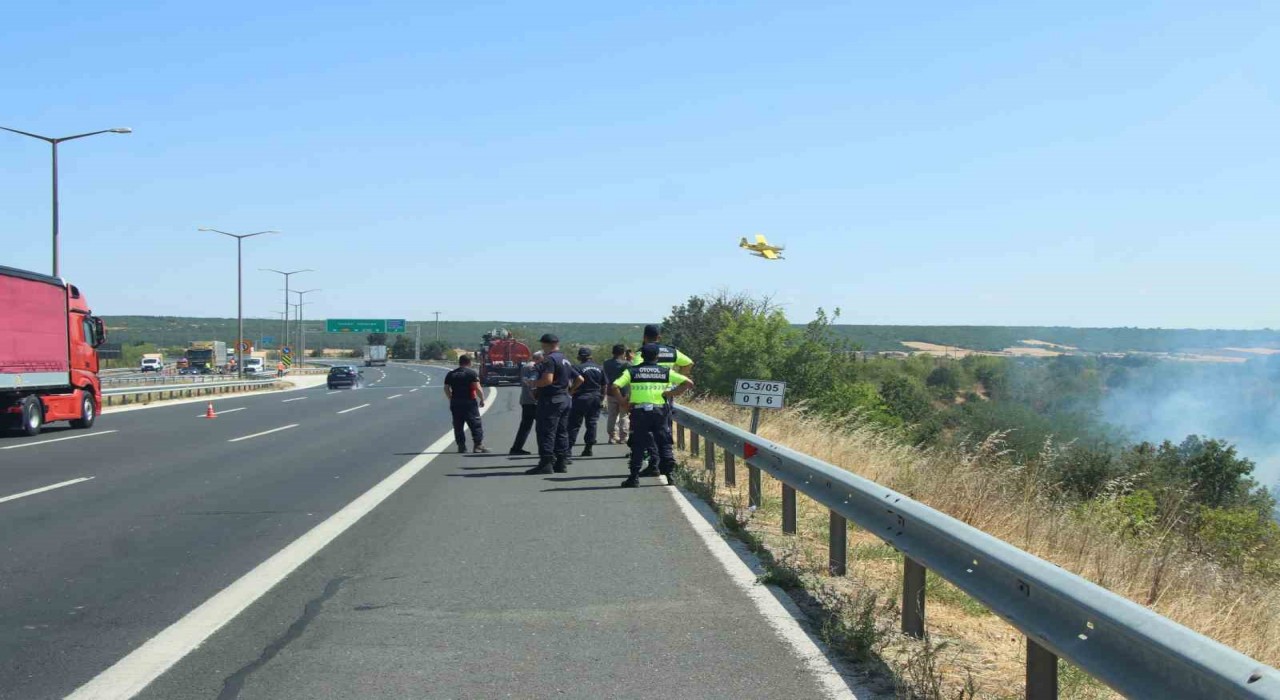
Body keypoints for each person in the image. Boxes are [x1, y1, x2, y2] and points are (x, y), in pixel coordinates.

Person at [610, 343, 694, 487]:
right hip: (660, 411)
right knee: (664, 442)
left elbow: (614, 386)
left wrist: (623, 402)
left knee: (638, 443)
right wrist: (670, 393)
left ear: (641, 356)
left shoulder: (632, 371)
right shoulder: (665, 371)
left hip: (639, 412)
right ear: (657, 356)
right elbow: (688, 382)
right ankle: (670, 476)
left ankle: (634, 478)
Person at [633, 324, 695, 476]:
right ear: (659, 337)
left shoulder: (641, 353)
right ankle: (665, 464)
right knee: (664, 430)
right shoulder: (672, 351)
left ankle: (655, 464)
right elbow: (689, 362)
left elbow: (635, 373)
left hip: (646, 397)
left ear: (644, 338)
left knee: (648, 432)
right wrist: (676, 384)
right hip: (666, 396)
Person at [525, 334, 582, 474]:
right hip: (564, 399)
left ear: (546, 344)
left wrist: (532, 383)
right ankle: (561, 462)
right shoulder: (564, 359)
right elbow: (580, 379)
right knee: (562, 432)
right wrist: (570, 391)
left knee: (546, 432)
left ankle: (546, 463)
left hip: (551, 400)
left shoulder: (549, 359)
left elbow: (547, 380)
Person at [443, 355, 488, 454]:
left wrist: (451, 398)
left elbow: (446, 388)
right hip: (469, 402)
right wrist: (482, 399)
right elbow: (477, 387)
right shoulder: (471, 373)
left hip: (455, 402)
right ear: (469, 362)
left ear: (460, 362)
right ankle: (478, 445)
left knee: (458, 424)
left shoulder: (451, 374)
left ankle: (461, 446)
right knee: (475, 424)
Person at [567, 347, 607, 457]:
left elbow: (570, 382)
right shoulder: (599, 368)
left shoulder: (576, 367)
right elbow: (604, 385)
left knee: (574, 424)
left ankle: (568, 450)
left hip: (581, 397)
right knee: (592, 424)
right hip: (595, 397)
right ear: (591, 357)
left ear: (579, 357)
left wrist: (571, 391)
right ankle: (588, 448)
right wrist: (602, 398)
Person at [509, 351, 543, 455]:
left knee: (525, 426)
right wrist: (535, 398)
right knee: (542, 426)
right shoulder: (534, 367)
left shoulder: (525, 366)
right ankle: (544, 450)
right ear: (539, 358)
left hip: (525, 400)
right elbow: (532, 384)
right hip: (533, 401)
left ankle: (516, 448)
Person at [602, 344, 630, 444]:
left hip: (610, 392)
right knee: (624, 415)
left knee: (612, 415)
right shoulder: (626, 364)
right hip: (623, 393)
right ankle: (624, 437)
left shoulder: (606, 363)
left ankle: (612, 436)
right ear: (623, 353)